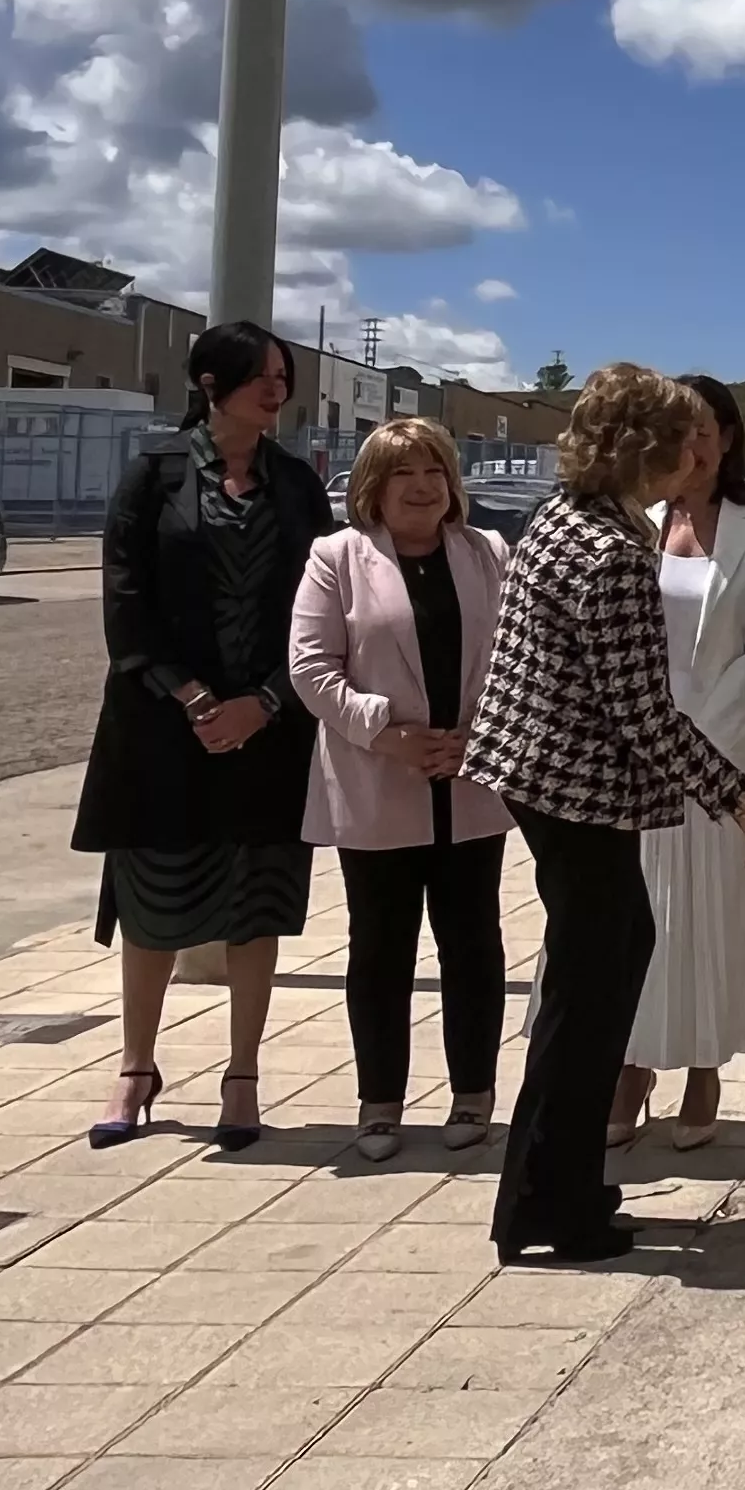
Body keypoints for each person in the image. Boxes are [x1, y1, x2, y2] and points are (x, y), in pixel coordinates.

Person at [462, 365, 745, 1263]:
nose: (695, 452)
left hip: (538, 783)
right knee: (590, 996)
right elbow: (641, 713)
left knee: (586, 984)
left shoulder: (561, 518)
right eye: (680, 437)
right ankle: (552, 1205)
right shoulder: (613, 553)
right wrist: (738, 801)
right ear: (647, 448)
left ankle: (544, 1195)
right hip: (577, 794)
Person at [71, 323, 333, 1152]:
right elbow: (126, 605)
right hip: (162, 731)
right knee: (154, 900)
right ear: (212, 382)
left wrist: (262, 703)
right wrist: (192, 699)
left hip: (267, 729)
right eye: (262, 375)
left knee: (255, 902)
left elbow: (318, 611)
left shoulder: (297, 484)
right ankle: (136, 1067)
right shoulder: (155, 474)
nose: (277, 389)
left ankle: (242, 1074)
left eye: (284, 376)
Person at [292, 417, 513, 1163]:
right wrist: (389, 733)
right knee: (381, 948)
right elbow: (311, 668)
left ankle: (473, 1094)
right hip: (378, 779)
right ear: (371, 490)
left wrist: (473, 736)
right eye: (403, 474)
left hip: (471, 778)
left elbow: (517, 660)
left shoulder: (487, 554)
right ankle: (380, 1103)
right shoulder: (336, 558)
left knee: (473, 944)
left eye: (435, 472)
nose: (422, 487)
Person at [620, 374, 745, 1151]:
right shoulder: (631, 520)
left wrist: (696, 751)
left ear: (728, 438)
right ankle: (631, 1064)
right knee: (639, 917)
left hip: (723, 756)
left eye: (706, 430)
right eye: (677, 431)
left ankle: (704, 1066)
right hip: (635, 757)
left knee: (717, 917)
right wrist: (651, 738)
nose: (693, 447)